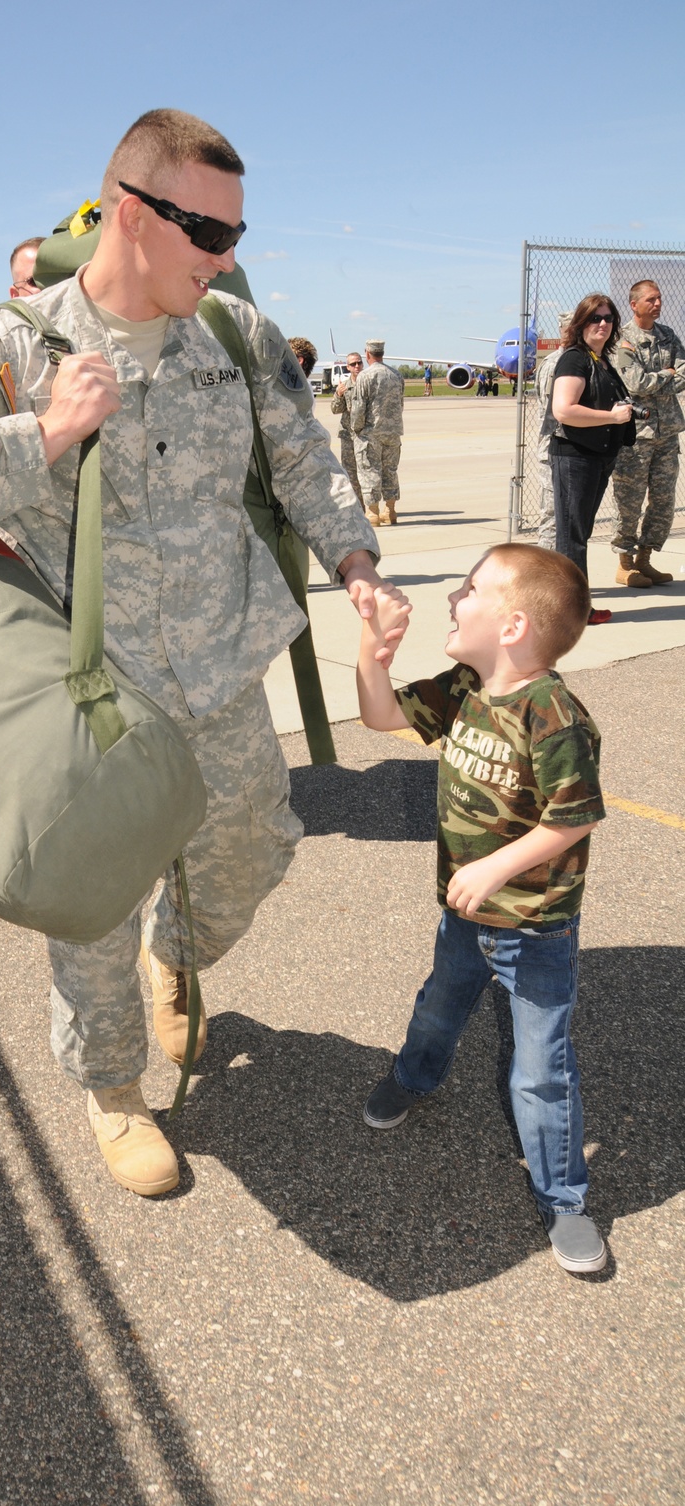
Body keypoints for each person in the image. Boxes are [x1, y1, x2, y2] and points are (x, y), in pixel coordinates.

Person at [0, 107, 407, 1197]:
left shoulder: (236, 337)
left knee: (253, 845)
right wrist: (48, 434)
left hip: (221, 660)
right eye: (207, 234)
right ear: (130, 210)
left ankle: (180, 960)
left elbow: (304, 461)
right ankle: (112, 1090)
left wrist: (358, 567)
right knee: (96, 903)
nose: (226, 260)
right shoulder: (12, 341)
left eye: (236, 236)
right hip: (89, 686)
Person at [357, 543, 607, 1275]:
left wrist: (497, 864)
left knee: (542, 1071)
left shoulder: (554, 717)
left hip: (536, 928)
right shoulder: (467, 685)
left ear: (513, 626)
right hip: (466, 916)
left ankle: (564, 1198)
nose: (453, 597)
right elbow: (379, 717)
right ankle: (413, 1076)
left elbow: (575, 817)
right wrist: (374, 648)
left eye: (471, 589)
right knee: (440, 1005)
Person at [549, 294, 635, 625]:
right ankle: (571, 611)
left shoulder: (599, 360)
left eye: (608, 319)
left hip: (596, 457)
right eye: (594, 318)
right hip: (575, 457)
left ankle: (571, 606)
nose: (602, 324)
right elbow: (564, 410)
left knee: (578, 533)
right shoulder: (575, 359)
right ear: (581, 324)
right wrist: (612, 418)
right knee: (571, 536)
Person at [609, 279, 685, 589]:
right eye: (651, 299)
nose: (657, 304)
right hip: (636, 437)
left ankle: (645, 560)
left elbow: (684, 372)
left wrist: (662, 377)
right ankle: (624, 564)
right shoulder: (622, 339)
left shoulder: (668, 335)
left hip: (667, 434)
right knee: (630, 501)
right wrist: (668, 375)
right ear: (634, 304)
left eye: (659, 298)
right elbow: (635, 384)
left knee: (663, 501)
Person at [350, 339, 404, 526]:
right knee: (390, 470)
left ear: (368, 354)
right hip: (393, 432)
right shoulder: (396, 375)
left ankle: (373, 513)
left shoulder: (365, 376)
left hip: (370, 432)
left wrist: (356, 428)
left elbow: (358, 407)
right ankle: (390, 511)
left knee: (369, 470)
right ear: (382, 353)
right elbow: (400, 405)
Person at [533, 312, 574, 549]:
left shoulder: (576, 360)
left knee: (565, 515)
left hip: (566, 450)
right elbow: (555, 414)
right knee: (553, 515)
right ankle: (544, 575)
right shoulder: (557, 364)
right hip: (554, 449)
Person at [329, 353, 364, 508]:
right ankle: (359, 505)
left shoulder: (367, 384)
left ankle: (371, 505)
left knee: (366, 470)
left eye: (359, 363)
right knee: (350, 472)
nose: (357, 366)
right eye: (353, 364)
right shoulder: (344, 386)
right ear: (348, 367)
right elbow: (335, 409)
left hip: (363, 435)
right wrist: (338, 394)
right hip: (348, 435)